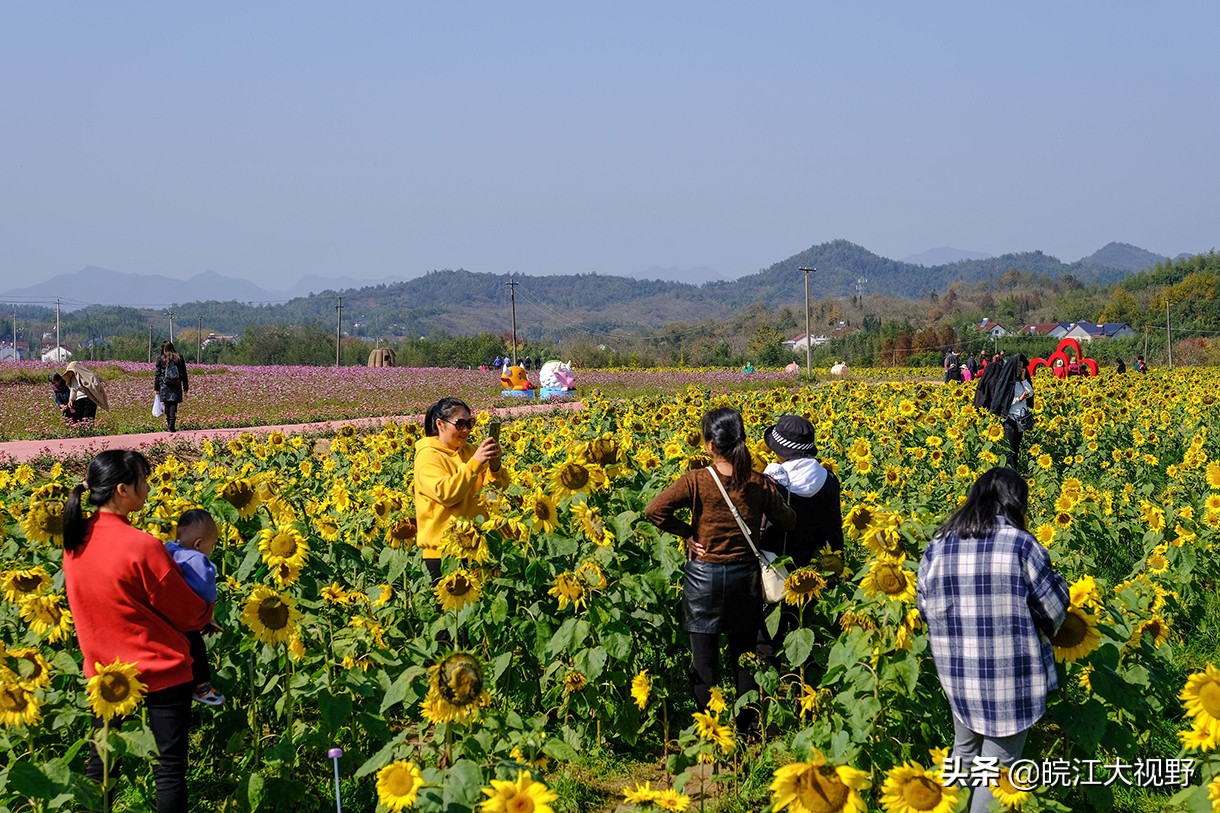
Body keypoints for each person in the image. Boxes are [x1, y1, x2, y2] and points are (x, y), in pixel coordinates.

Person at [62, 450, 213, 812]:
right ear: (122, 490)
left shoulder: (74, 541)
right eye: (143, 481)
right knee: (169, 769)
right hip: (162, 670)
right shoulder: (143, 546)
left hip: (107, 675)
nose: (148, 488)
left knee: (101, 764)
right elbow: (188, 613)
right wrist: (207, 611)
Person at [918, 468, 1069, 813]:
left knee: (964, 751)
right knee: (998, 765)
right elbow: (1052, 610)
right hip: (1009, 681)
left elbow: (924, 606)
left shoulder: (938, 544)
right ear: (1016, 503)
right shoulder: (1021, 544)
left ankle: (941, 807)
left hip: (958, 675)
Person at [645, 407, 797, 735]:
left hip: (704, 580)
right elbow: (788, 520)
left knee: (704, 663)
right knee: (744, 656)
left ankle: (708, 732)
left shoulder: (696, 480)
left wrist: (687, 533)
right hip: (745, 579)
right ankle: (746, 729)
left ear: (710, 444)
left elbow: (654, 510)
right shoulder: (759, 483)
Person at [756, 415, 843, 662]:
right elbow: (834, 528)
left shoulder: (774, 480)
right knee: (806, 630)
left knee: (768, 637)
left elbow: (761, 529)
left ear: (781, 451)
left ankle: (771, 690)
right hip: (814, 572)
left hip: (777, 571)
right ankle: (803, 683)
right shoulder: (828, 479)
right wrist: (836, 564)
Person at [413, 398, 508, 584]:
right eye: (460, 424)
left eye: (469, 423)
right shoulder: (428, 455)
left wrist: (495, 469)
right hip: (442, 554)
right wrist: (475, 464)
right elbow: (446, 494)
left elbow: (492, 497)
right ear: (440, 424)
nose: (466, 430)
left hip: (477, 549)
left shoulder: (472, 451)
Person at [165, 510, 224, 706]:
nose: (211, 550)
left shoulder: (169, 549)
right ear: (199, 544)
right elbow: (206, 591)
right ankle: (202, 687)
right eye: (211, 546)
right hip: (186, 617)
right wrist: (210, 611)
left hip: (164, 615)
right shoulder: (198, 560)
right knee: (196, 648)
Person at [985, 355, 1034, 471]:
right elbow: (1002, 402)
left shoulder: (1021, 381)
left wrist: (1023, 379)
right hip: (1010, 420)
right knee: (1009, 450)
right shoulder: (1006, 382)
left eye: (1022, 367)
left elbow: (1030, 392)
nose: (1021, 369)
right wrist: (1019, 399)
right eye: (1019, 367)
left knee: (1016, 448)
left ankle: (1014, 471)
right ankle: (1009, 473)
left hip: (1021, 420)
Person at [154, 341, 189, 432]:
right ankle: (172, 424)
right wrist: (185, 387)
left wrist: (156, 388)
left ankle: (169, 422)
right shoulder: (179, 357)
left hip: (164, 385)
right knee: (174, 403)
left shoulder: (161, 358)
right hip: (176, 384)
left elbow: (157, 374)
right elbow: (184, 373)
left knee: (167, 404)